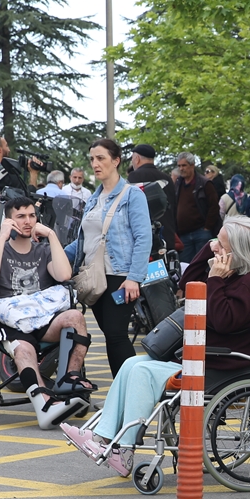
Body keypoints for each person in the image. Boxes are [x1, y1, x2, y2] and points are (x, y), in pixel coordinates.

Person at [61, 216, 250, 476]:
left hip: (221, 365)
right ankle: (102, 436)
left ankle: (124, 449)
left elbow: (224, 321)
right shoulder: (230, 270)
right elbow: (187, 284)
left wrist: (215, 280)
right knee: (131, 364)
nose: (216, 247)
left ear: (238, 251)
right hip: (198, 357)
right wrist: (210, 248)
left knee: (142, 372)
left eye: (221, 244)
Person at [0, 195, 94, 427]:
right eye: (20, 217)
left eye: (32, 216)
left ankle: (70, 379)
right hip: (12, 325)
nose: (27, 221)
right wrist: (2, 237)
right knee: (24, 352)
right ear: (8, 221)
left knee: (75, 316)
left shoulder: (43, 250)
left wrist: (51, 235)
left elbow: (64, 276)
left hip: (44, 321)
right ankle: (44, 405)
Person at [64, 138, 152, 375]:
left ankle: (133, 394)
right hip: (96, 277)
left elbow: (144, 238)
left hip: (120, 277)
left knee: (116, 335)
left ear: (116, 161)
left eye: (101, 158)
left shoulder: (132, 195)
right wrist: (54, 254)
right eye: (92, 159)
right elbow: (85, 241)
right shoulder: (94, 197)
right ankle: (122, 397)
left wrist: (134, 277)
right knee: (111, 337)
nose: (95, 163)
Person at [126, 143, 175, 250]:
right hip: (168, 233)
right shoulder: (167, 178)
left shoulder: (134, 176)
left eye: (132, 159)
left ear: (137, 159)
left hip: (145, 236)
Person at [173, 151, 220, 263]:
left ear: (192, 165)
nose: (181, 168)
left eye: (184, 165)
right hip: (183, 235)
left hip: (201, 233)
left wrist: (207, 227)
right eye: (179, 166)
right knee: (186, 268)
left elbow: (214, 207)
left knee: (203, 266)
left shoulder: (204, 184)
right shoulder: (178, 183)